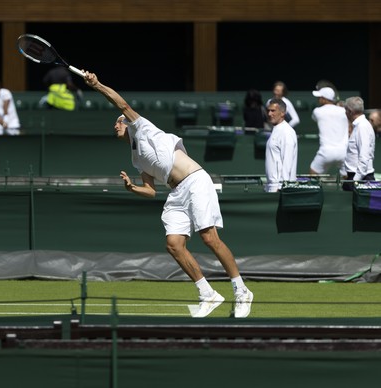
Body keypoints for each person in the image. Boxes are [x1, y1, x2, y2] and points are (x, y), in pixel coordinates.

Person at [83, 69, 253, 318]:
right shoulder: (136, 158)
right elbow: (151, 191)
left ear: (127, 122)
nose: (115, 125)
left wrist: (97, 85)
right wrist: (132, 188)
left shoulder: (143, 128)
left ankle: (241, 290)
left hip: (195, 181)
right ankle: (207, 293)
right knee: (173, 245)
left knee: (209, 238)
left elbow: (121, 102)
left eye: (118, 122)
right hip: (176, 193)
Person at [309, 87, 349, 175]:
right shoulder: (344, 111)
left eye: (320, 97)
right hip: (343, 152)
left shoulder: (317, 111)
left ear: (324, 99)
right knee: (348, 180)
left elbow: (314, 118)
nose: (318, 99)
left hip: (326, 152)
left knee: (313, 176)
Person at [341, 97, 376, 191]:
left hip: (360, 179)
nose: (345, 113)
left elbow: (364, 157)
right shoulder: (360, 126)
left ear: (350, 111)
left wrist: (354, 181)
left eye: (345, 110)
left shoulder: (362, 127)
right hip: (357, 177)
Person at [265, 98, 298, 192]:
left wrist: (281, 187)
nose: (269, 114)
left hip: (279, 188)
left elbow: (287, 161)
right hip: (273, 186)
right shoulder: (277, 129)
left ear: (283, 113)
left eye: (273, 111)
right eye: (268, 110)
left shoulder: (287, 132)